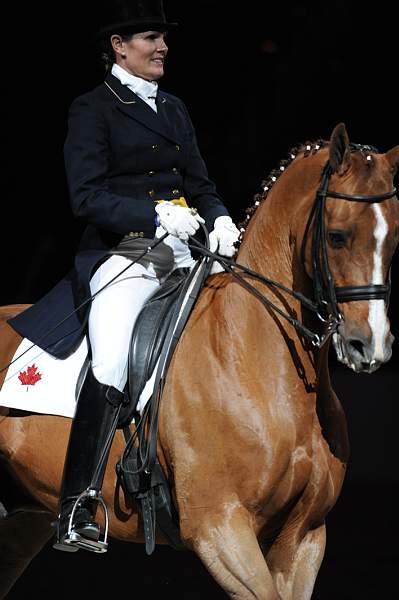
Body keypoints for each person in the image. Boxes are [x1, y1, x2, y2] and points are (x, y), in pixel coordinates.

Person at [8, 0, 240, 553]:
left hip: (184, 251)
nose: (162, 47)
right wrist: (153, 215)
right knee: (111, 355)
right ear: (119, 46)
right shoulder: (93, 109)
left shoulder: (175, 108)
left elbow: (200, 182)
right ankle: (77, 504)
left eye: (164, 38)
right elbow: (85, 197)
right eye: (151, 37)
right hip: (126, 254)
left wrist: (221, 217)